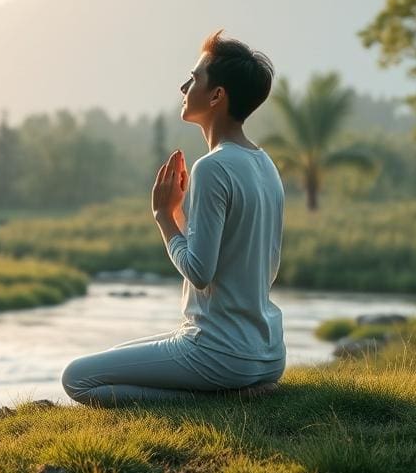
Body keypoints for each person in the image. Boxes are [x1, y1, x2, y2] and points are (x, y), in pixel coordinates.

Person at [61, 29, 286, 406]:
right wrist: (182, 213)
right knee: (115, 356)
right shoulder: (264, 164)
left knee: (78, 379)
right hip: (267, 353)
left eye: (194, 78)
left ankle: (217, 400)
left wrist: (164, 216)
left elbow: (200, 271)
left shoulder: (214, 167)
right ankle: (236, 387)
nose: (184, 86)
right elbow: (251, 265)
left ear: (217, 96)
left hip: (221, 354)